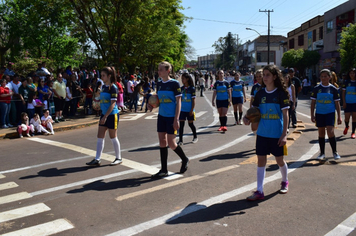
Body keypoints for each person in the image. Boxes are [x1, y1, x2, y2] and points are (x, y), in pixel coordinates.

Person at [243, 65, 290, 201]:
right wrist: (246, 118)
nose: (264, 77)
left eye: (267, 74)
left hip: (276, 134)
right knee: (260, 160)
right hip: (262, 133)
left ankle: (285, 181)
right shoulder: (260, 93)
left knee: (279, 160)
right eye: (263, 74)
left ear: (275, 77)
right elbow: (253, 111)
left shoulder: (281, 94)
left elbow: (286, 115)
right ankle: (259, 190)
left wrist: (284, 134)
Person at [148, 61, 189, 178]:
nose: (158, 71)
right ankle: (164, 169)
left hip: (171, 117)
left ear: (168, 71)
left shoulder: (175, 84)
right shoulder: (159, 84)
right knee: (162, 142)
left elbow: (178, 102)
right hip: (161, 116)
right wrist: (152, 105)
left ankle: (185, 159)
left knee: (171, 143)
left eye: (161, 69)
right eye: (158, 69)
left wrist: (177, 119)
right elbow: (159, 100)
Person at [86, 66, 122, 166]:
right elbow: (102, 100)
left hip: (112, 115)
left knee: (113, 137)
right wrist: (97, 105)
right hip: (104, 114)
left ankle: (118, 157)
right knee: (100, 136)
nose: (101, 77)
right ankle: (97, 159)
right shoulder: (103, 87)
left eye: (103, 75)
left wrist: (105, 116)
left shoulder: (113, 88)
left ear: (109, 76)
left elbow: (113, 104)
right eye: (101, 75)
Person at [311, 69, 342, 160]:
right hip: (319, 113)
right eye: (322, 76)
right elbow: (313, 103)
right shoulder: (316, 89)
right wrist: (312, 115)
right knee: (321, 133)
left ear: (329, 77)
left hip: (330, 113)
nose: (323, 78)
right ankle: (322, 153)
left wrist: (339, 116)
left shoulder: (333, 89)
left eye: (325, 76)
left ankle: (335, 152)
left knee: (330, 132)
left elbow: (337, 104)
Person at [178, 73, 197, 146]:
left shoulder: (192, 88)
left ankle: (195, 137)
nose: (182, 80)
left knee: (191, 124)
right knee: (181, 125)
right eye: (181, 79)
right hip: (182, 110)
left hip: (189, 110)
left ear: (187, 79)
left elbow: (193, 100)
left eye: (183, 79)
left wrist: (192, 109)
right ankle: (180, 140)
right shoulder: (181, 88)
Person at [342, 68, 356, 139]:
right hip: (347, 102)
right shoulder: (346, 82)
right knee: (347, 118)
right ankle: (347, 126)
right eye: (351, 73)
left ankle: (353, 132)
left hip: (355, 103)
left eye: (353, 73)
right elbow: (343, 93)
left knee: (354, 118)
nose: (352, 74)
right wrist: (344, 102)